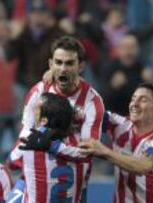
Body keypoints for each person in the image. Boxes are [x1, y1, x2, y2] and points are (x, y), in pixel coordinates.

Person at [12, 36, 105, 202]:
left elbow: (87, 153)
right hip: (35, 178)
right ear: (50, 64)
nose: (63, 69)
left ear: (81, 66)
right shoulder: (38, 92)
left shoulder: (92, 102)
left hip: (72, 182)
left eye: (69, 63)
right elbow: (25, 134)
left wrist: (51, 145)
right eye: (58, 62)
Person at [79, 83, 153, 203]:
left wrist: (104, 151)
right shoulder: (119, 124)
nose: (134, 104)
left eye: (143, 100)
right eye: (133, 99)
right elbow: (84, 113)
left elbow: (143, 166)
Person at [6, 92, 76, 202]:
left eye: (37, 108)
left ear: (43, 120)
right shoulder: (75, 145)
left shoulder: (31, 140)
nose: (33, 109)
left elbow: (11, 162)